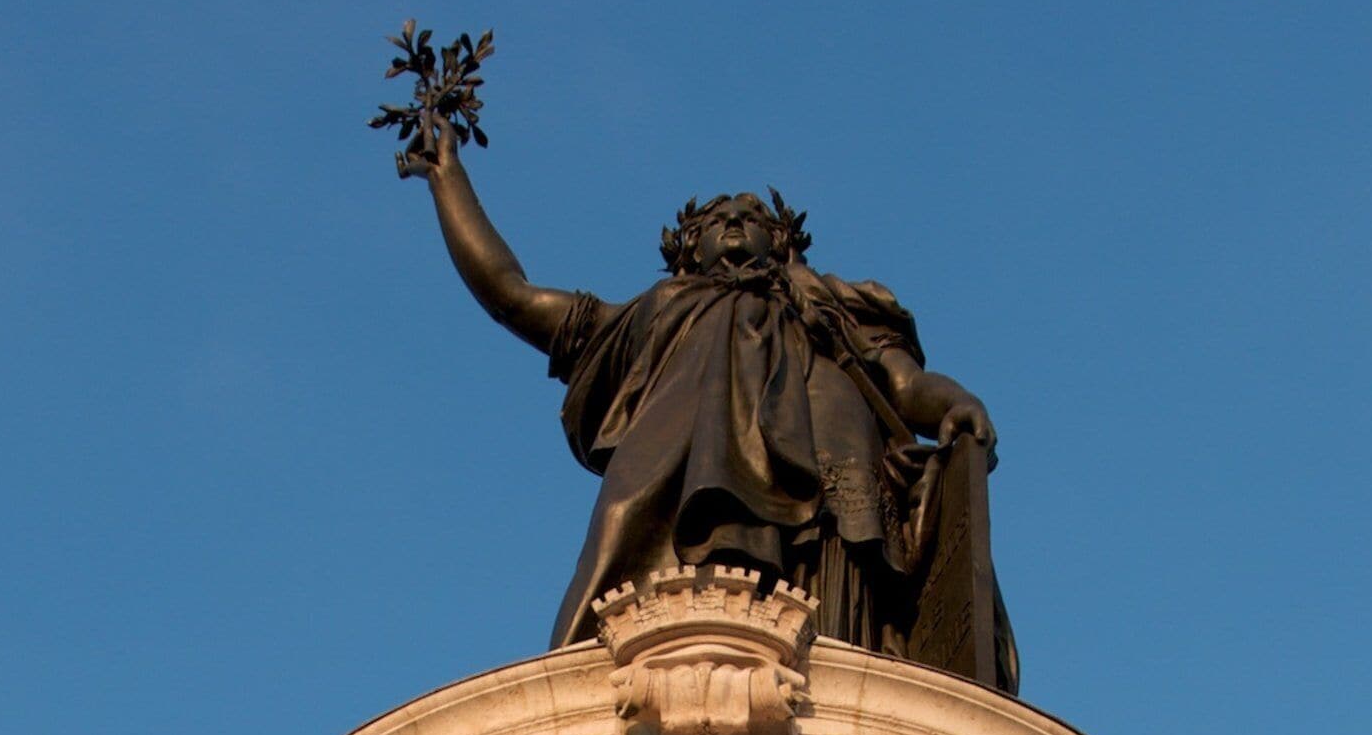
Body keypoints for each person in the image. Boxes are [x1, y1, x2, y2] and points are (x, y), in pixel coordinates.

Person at [400, 126, 1016, 689]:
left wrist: (955, 403)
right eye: (717, 219)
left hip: (835, 505)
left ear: (781, 243)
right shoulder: (655, 313)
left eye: (748, 217)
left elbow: (905, 387)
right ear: (687, 250)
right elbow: (513, 296)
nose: (732, 222)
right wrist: (448, 177)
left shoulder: (834, 309)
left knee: (833, 666)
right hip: (675, 497)